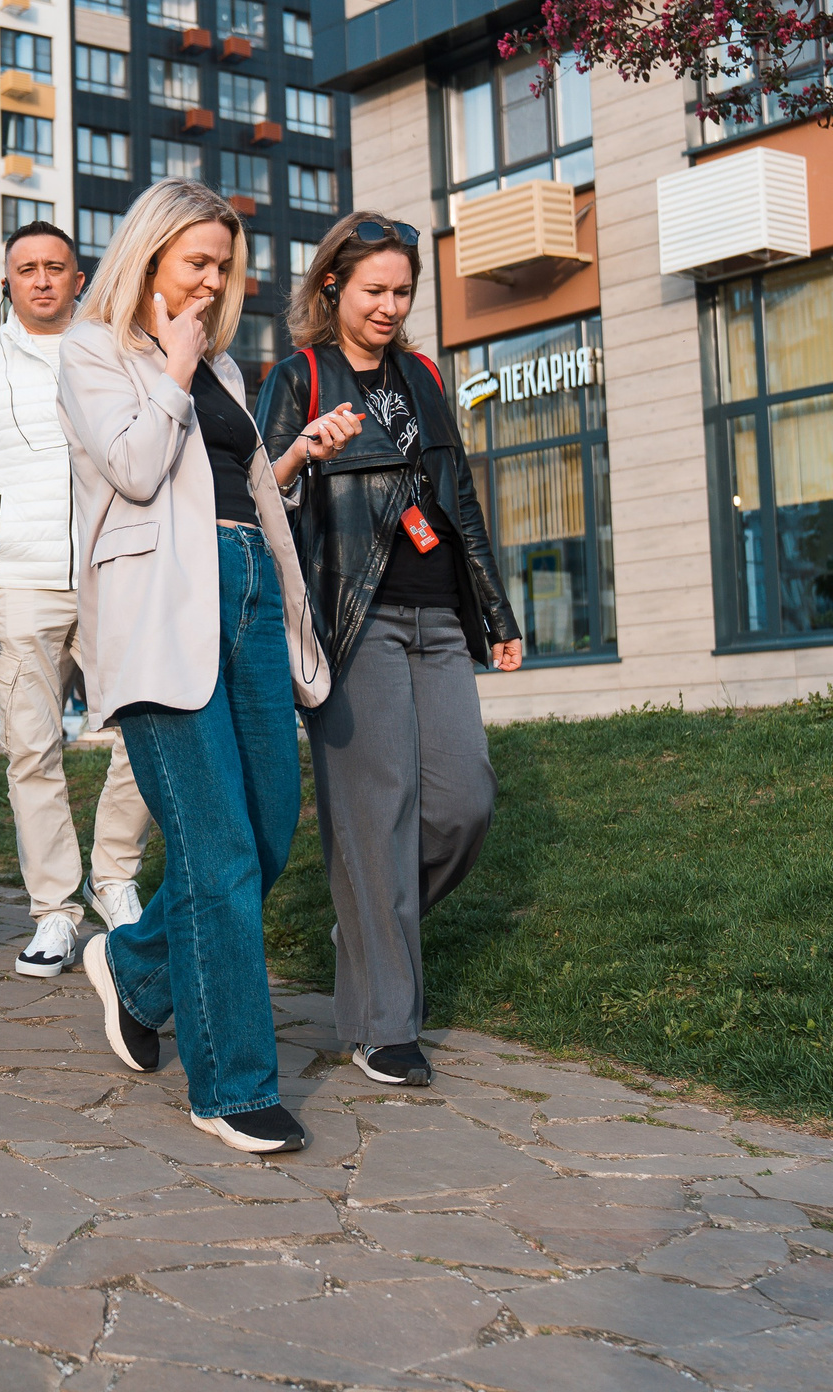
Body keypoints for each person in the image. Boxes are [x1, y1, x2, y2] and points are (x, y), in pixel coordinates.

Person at [58, 179, 353, 1154]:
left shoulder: (220, 366)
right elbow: (138, 468)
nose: (213, 280)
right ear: (148, 256)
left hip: (250, 596)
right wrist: (175, 363)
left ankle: (138, 967)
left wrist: (295, 455)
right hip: (156, 617)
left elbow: (235, 487)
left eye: (223, 265)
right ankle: (230, 1083)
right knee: (218, 850)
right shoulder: (94, 351)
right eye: (197, 261)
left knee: (266, 834)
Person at [257, 213, 526, 1089]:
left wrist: (495, 610)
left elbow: (460, 498)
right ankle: (383, 1024)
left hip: (439, 616)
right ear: (332, 285)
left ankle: (371, 925)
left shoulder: (420, 374)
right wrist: (304, 449)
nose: (390, 305)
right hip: (353, 619)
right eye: (374, 290)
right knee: (379, 814)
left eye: (402, 291)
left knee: (462, 804)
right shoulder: (297, 376)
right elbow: (251, 493)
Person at [0, 220, 158, 977]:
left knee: (149, 730)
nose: (40, 280)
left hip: (112, 578)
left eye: (54, 267)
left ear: (79, 277)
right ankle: (56, 915)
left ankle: (116, 879)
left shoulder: (116, 351)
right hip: (14, 586)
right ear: (7, 281)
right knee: (32, 753)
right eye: (25, 269)